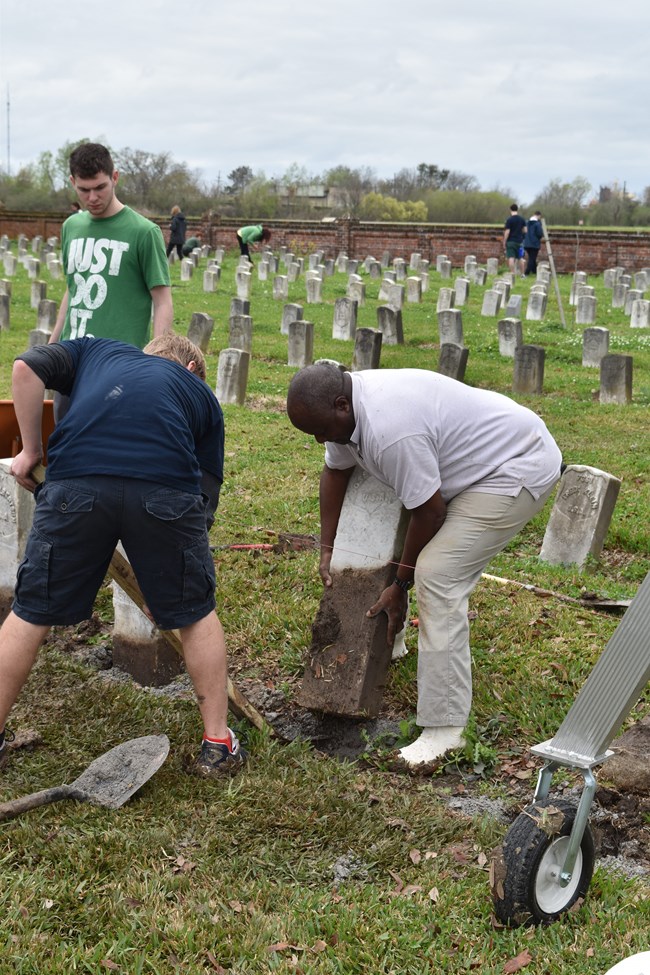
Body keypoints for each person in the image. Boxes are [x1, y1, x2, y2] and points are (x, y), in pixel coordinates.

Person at [286, 365, 562, 768]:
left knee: (438, 574)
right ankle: (392, 644)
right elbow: (335, 469)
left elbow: (430, 513)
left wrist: (400, 582)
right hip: (469, 460)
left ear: (342, 406)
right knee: (389, 502)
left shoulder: (392, 429)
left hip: (514, 466)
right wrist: (327, 546)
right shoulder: (344, 411)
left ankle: (445, 729)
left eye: (323, 431)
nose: (320, 440)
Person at [0, 334, 246, 779]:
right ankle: (217, 745)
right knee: (195, 614)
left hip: (75, 483)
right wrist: (171, 584)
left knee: (31, 610)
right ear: (192, 369)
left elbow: (24, 370)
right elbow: (202, 500)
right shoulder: (200, 396)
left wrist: (33, 450)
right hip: (166, 490)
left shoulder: (95, 352)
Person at [49, 143, 173, 421]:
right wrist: (52, 346)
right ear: (72, 183)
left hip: (120, 364)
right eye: (83, 190)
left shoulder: (144, 232)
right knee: (64, 443)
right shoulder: (71, 227)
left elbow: (162, 300)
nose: (92, 197)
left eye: (100, 187)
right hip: (70, 359)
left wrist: (157, 360)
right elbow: (73, 288)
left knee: (109, 448)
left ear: (115, 177)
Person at [503, 203, 527, 277]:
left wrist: (504, 241)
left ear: (510, 210)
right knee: (520, 258)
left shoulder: (509, 220)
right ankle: (522, 274)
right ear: (517, 209)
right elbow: (525, 230)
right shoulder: (522, 219)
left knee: (511, 258)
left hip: (511, 241)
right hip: (519, 241)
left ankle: (512, 274)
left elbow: (507, 232)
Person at [523, 211, 544, 277]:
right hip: (534, 244)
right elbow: (539, 234)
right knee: (532, 259)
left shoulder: (526, 222)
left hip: (526, 243)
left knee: (532, 258)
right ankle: (526, 273)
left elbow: (523, 231)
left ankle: (535, 272)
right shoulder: (537, 224)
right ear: (539, 216)